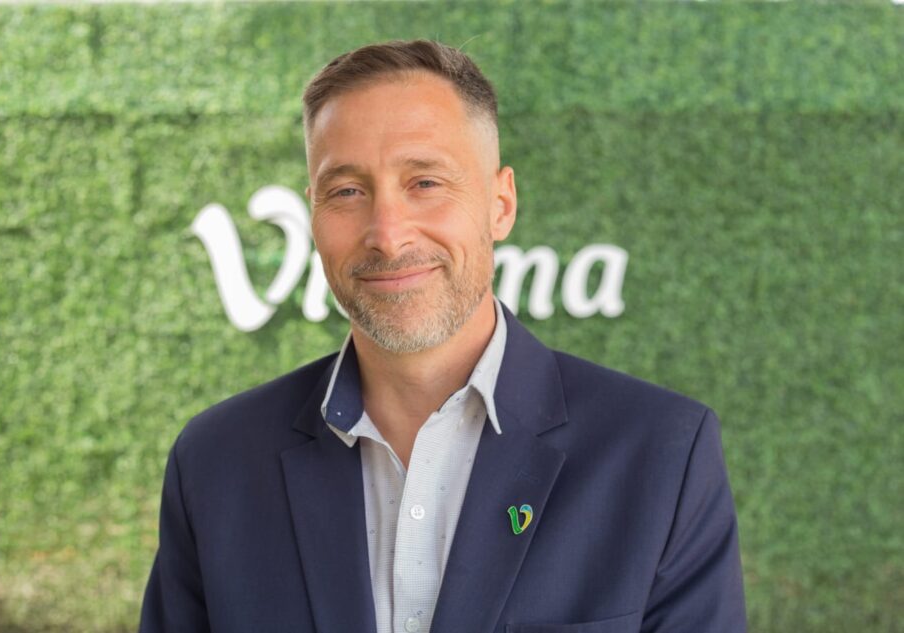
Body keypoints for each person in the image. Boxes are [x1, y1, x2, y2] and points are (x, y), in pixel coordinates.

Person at [139, 40, 747, 633]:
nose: (388, 235)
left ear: (500, 204)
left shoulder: (661, 454)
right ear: (313, 213)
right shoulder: (216, 463)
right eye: (347, 191)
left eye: (425, 182)